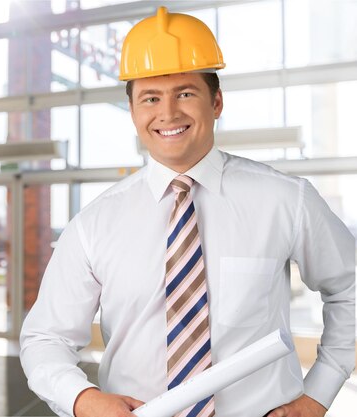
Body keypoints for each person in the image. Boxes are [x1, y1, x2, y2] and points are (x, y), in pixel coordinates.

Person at [20, 6, 355, 417]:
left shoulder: (287, 199)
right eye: (150, 98)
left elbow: (351, 288)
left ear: (216, 102)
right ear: (132, 112)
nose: (168, 113)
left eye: (185, 93)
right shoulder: (93, 225)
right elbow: (44, 339)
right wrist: (83, 400)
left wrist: (317, 394)